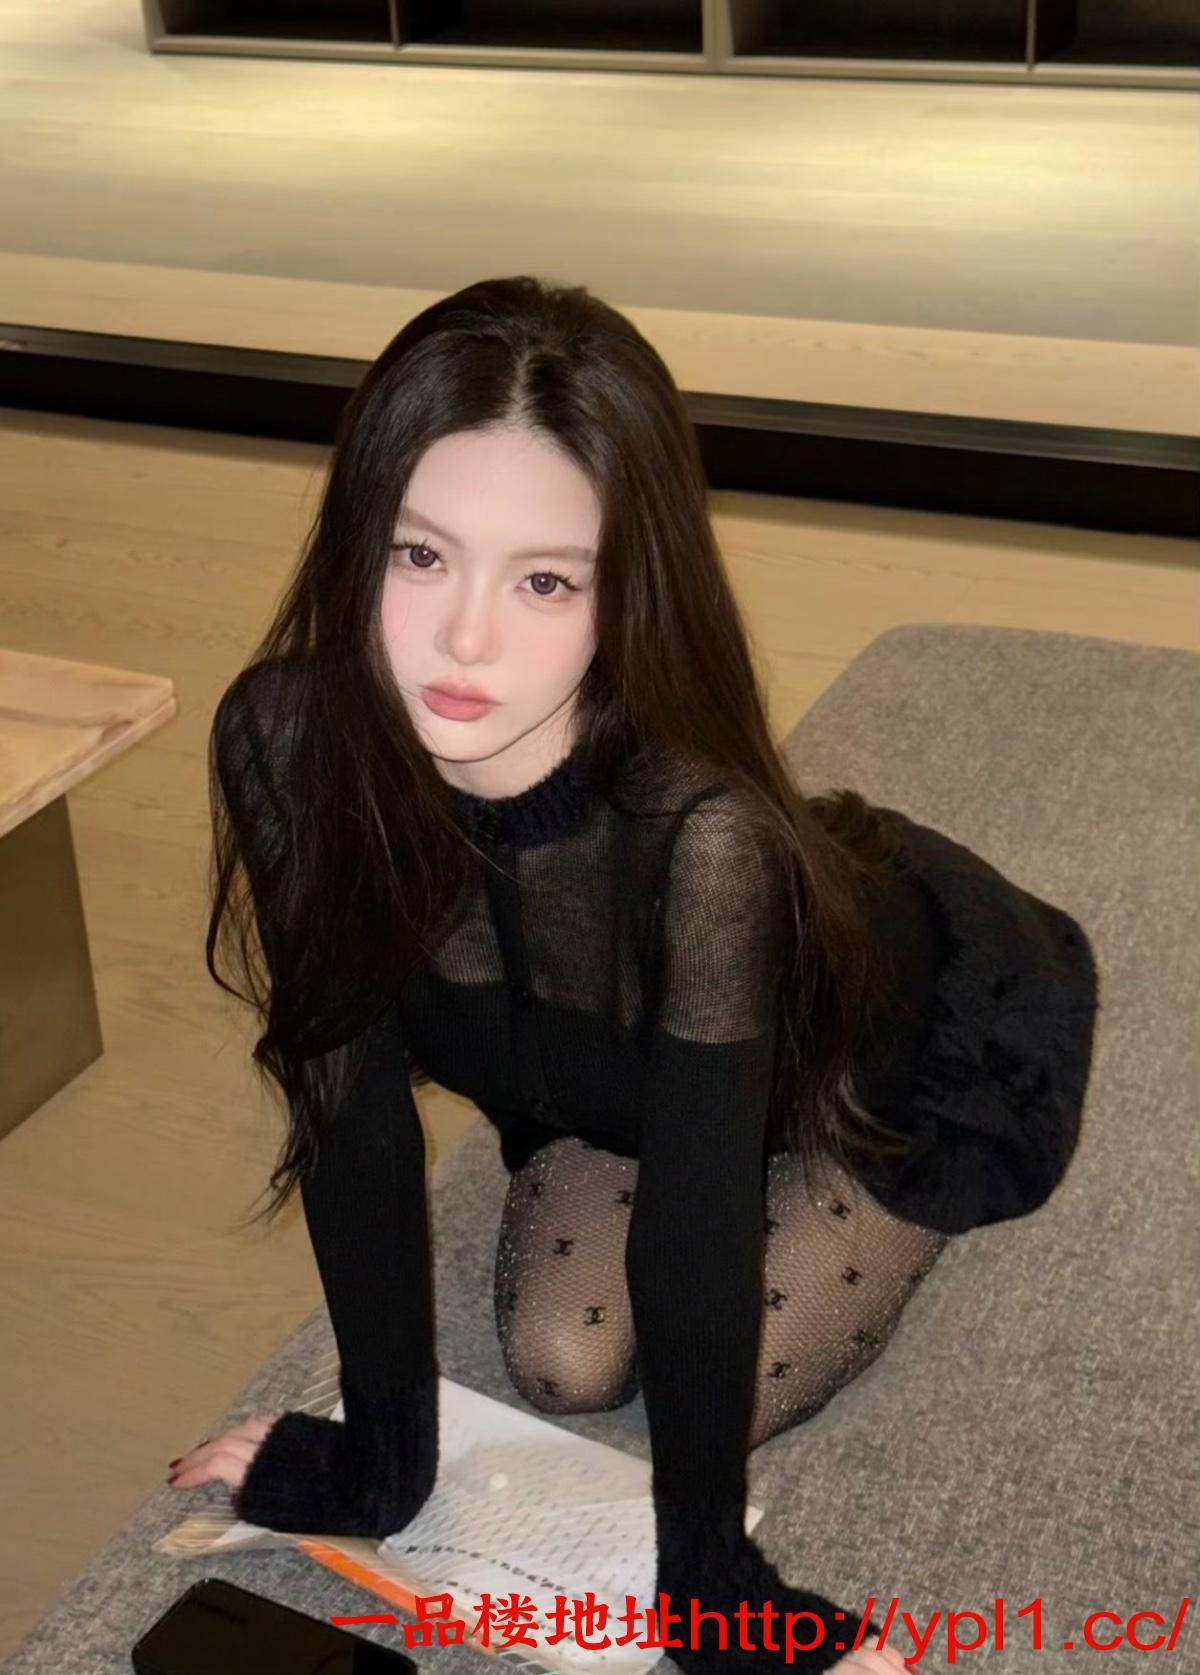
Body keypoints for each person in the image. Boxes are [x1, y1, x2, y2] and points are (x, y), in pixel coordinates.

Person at [170, 276, 1100, 1675]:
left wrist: (711, 1594)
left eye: (544, 580)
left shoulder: (704, 847)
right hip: (622, 1083)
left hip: (857, 1062)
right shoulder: (288, 741)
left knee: (710, 1367)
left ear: (628, 590)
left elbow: (700, 1224)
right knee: (563, 1361)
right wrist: (379, 1459)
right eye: (421, 556)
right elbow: (348, 1121)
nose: (467, 640)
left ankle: (867, 1182)